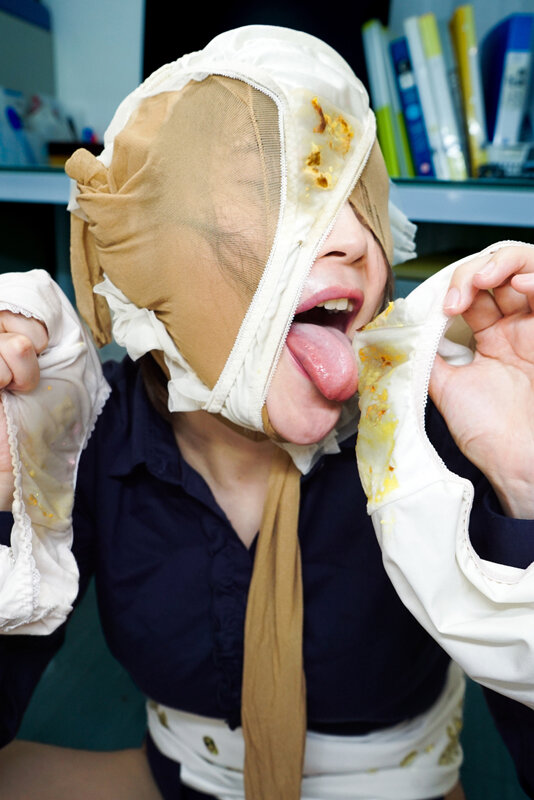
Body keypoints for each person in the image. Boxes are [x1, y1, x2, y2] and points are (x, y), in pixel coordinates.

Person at [0, 23, 532, 800]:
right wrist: (9, 495)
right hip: (176, 773)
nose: (351, 239)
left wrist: (523, 489)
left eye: (355, 192)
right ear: (149, 259)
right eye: (271, 195)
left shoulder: (435, 436)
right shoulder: (90, 438)